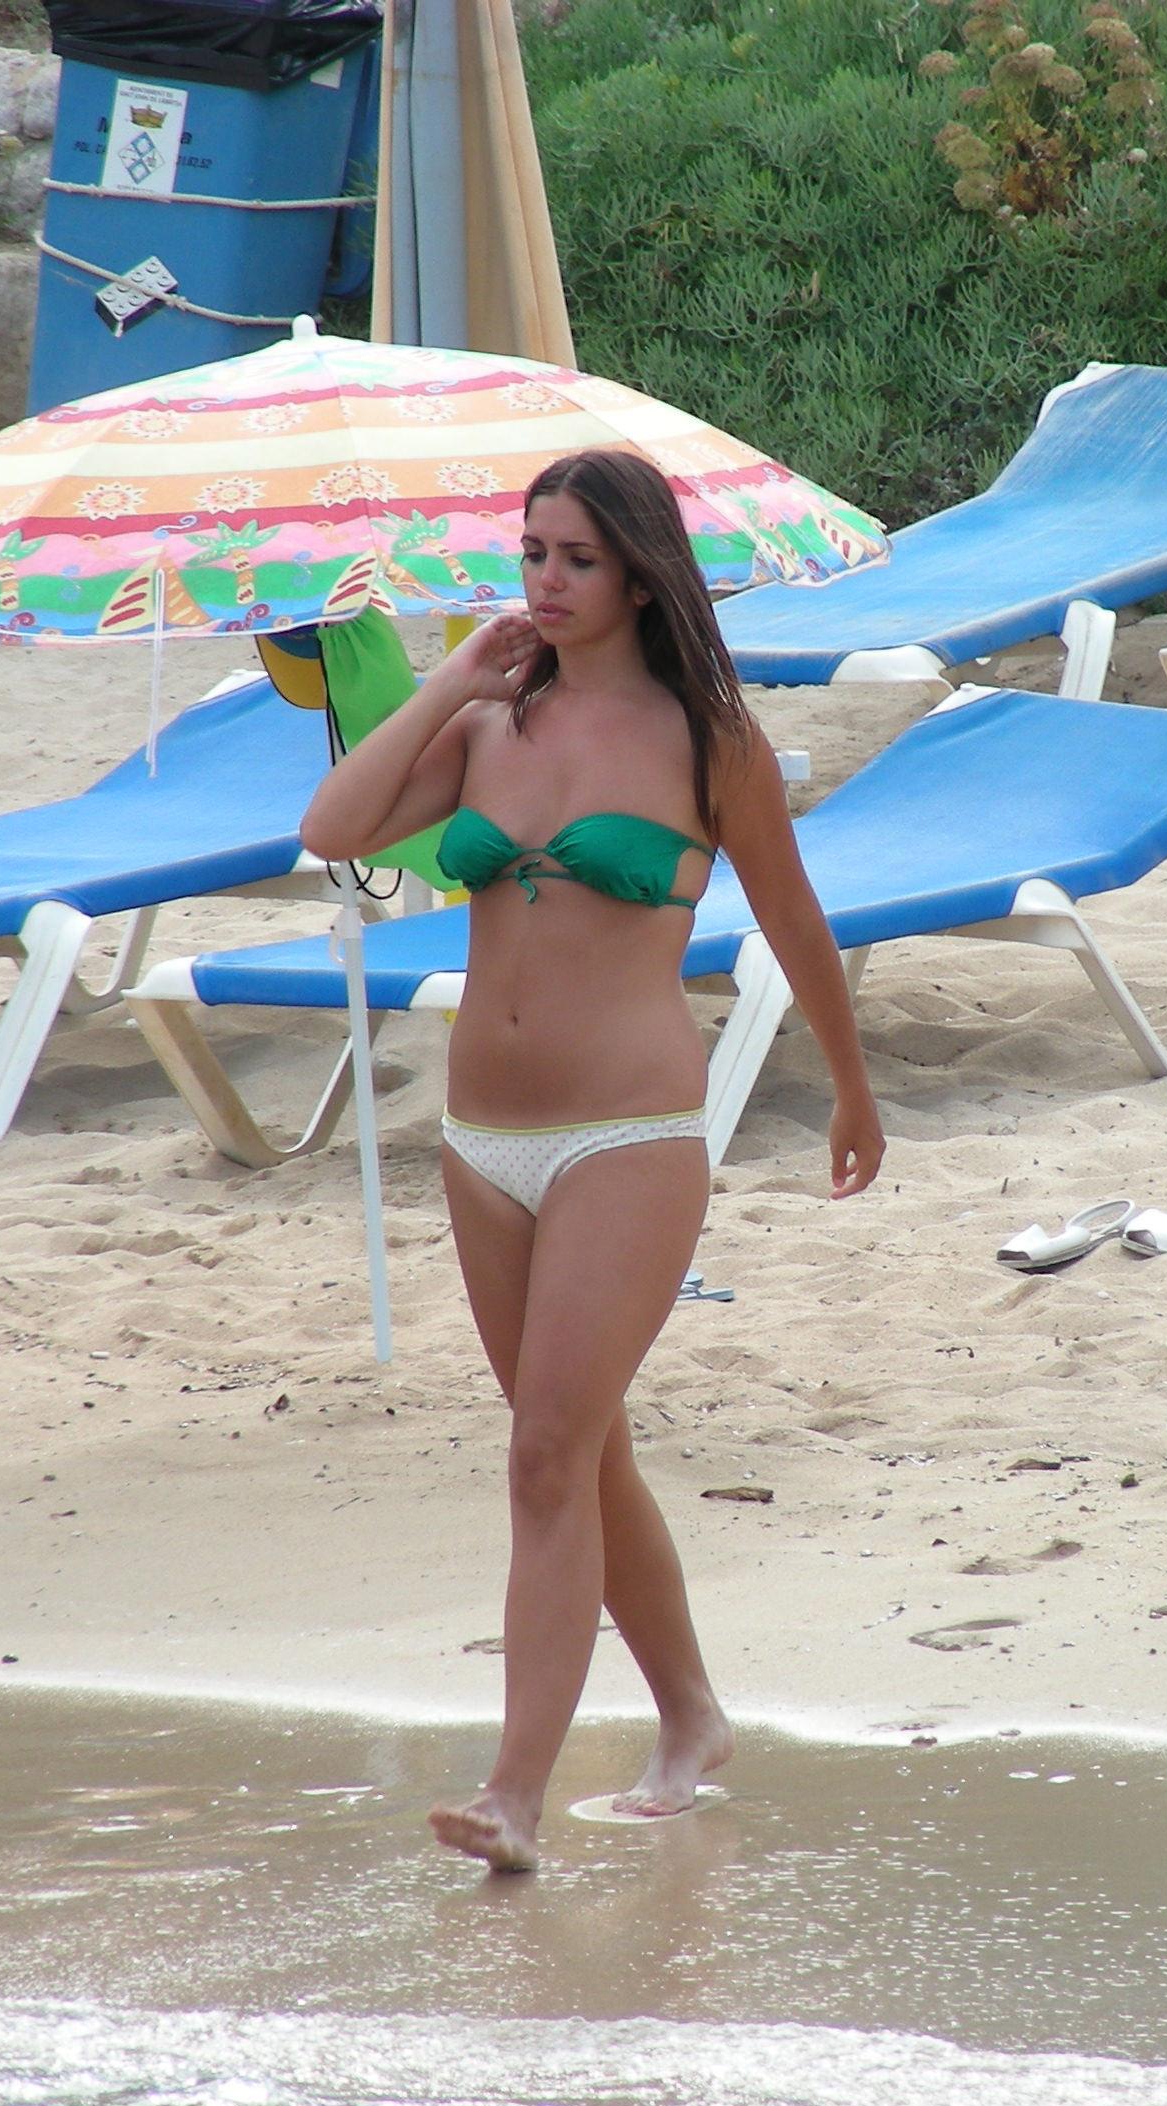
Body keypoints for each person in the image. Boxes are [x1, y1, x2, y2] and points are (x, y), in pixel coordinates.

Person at [300, 449, 884, 1871]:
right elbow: (332, 829)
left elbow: (796, 920)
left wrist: (852, 1090)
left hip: (629, 1133)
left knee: (547, 1453)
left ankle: (514, 1793)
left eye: (575, 558)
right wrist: (449, 682)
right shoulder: (490, 723)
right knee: (583, 1451)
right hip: (481, 1141)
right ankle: (690, 1715)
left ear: (637, 572)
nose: (547, 581)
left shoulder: (709, 740)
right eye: (531, 553)